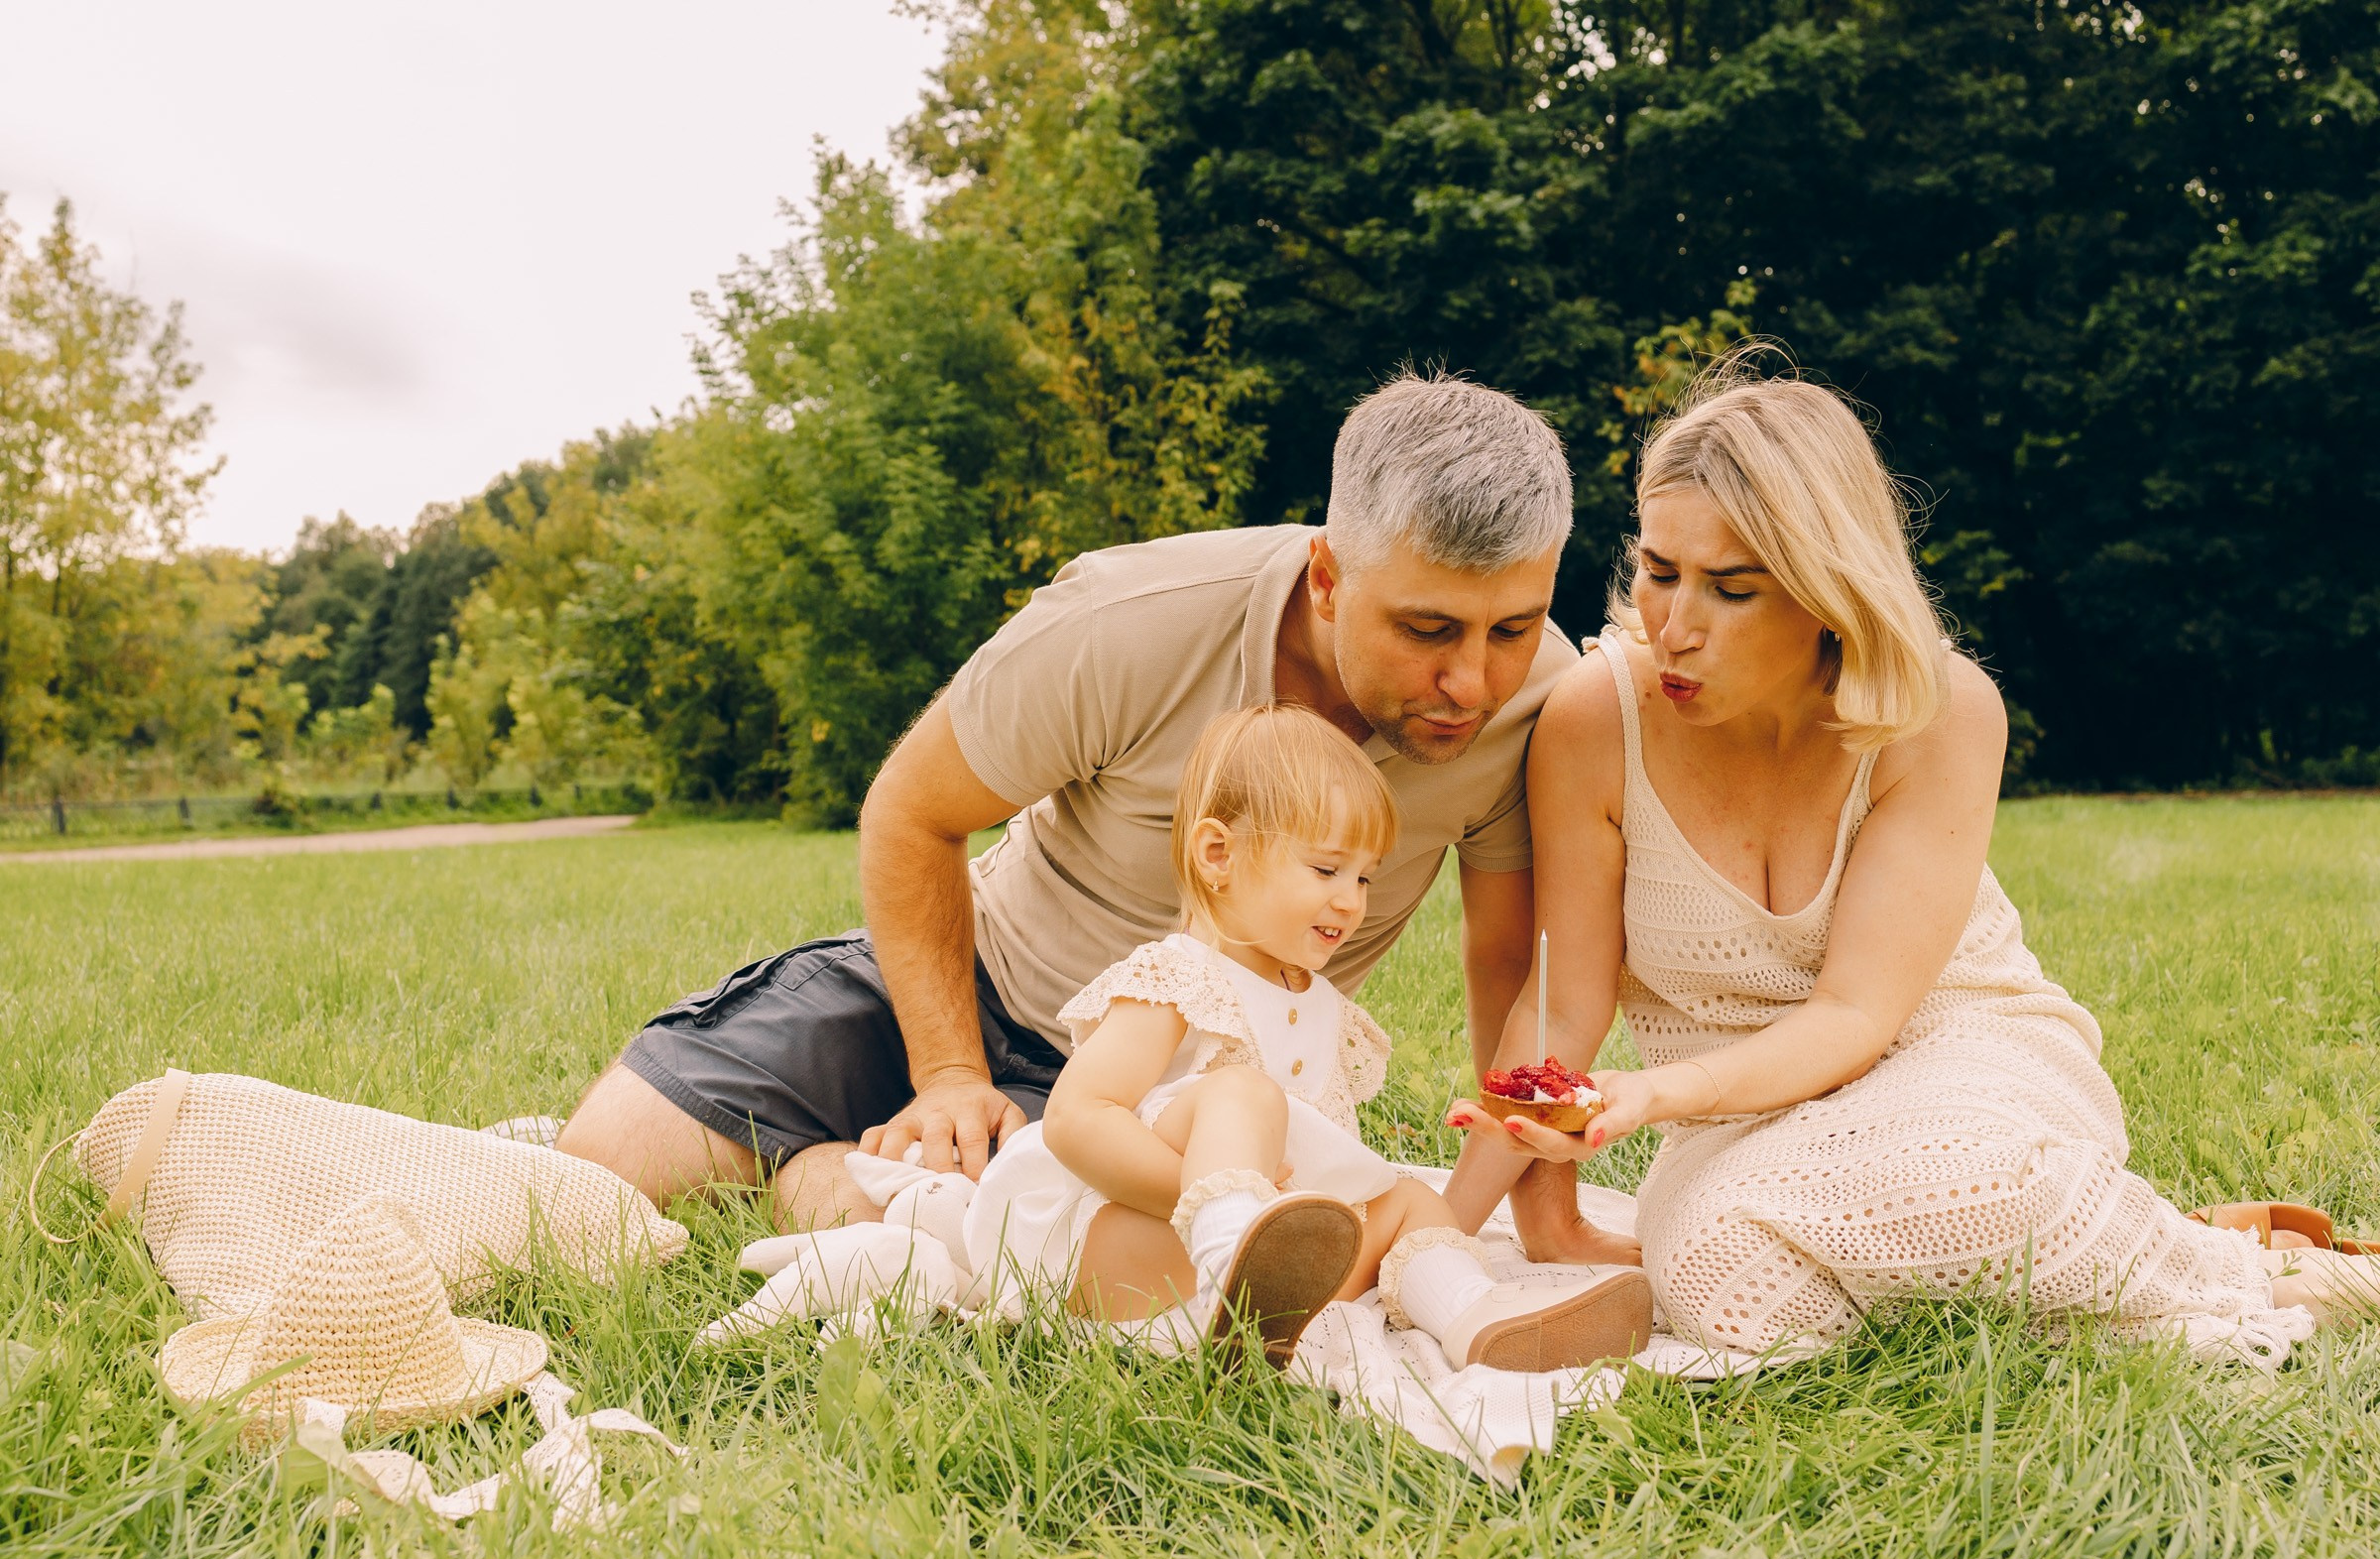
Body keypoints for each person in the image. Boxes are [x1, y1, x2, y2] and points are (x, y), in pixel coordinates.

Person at [557, 372, 1636, 1269]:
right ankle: (896, 1143)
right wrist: (947, 1077)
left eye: (1513, 626)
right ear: (1325, 575)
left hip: (1183, 1103)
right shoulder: (1132, 620)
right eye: (1427, 627)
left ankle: (838, 1179)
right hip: (970, 984)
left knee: (1159, 1273)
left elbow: (1509, 958)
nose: (1469, 680)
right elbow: (912, 810)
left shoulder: (1533, 700)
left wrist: (1536, 1209)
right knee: (599, 1172)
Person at [1441, 349, 2373, 1365]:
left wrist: (1655, 1093)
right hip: (1739, 1124)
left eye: (1732, 588)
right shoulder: (1594, 719)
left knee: (1965, 1175)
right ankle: (2110, 1273)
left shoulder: (1939, 711)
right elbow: (1563, 1006)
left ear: (1824, 589)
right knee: (1714, 1275)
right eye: (1659, 572)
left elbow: (1855, 1015)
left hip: (1954, 1057)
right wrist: (1451, 1227)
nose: (1675, 625)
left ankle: (2274, 1283)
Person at [953, 704, 1652, 1369]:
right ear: (1217, 854)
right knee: (1245, 1095)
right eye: (1325, 869)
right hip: (1132, 1243)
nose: (1351, 900)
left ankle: (1480, 1321)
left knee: (1410, 1201)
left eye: (1364, 876)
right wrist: (1221, 1201)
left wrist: (1311, 1214)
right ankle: (1237, 1262)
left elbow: (1329, 1164)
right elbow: (1078, 1119)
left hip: (1287, 1264)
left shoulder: (1328, 1013)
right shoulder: (1180, 977)